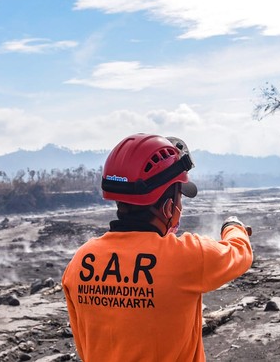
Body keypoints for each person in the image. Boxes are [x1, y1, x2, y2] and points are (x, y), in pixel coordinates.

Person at [62, 133, 253, 361]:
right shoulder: (187, 257)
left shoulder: (80, 261)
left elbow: (85, 346)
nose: (180, 205)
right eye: (179, 196)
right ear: (168, 206)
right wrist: (234, 226)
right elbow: (239, 253)